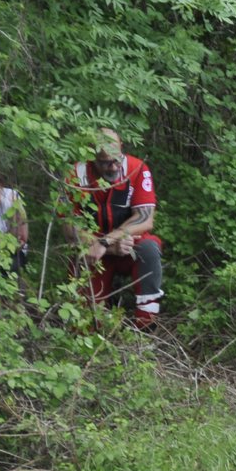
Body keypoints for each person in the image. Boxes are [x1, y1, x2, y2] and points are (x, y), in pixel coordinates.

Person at [70, 128, 164, 328]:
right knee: (84, 323)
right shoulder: (76, 175)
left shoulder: (137, 168)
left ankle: (146, 326)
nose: (112, 167)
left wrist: (108, 241)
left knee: (149, 248)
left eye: (116, 160)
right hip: (93, 249)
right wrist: (104, 247)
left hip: (128, 245)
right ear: (91, 156)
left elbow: (145, 218)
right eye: (105, 162)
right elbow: (69, 226)